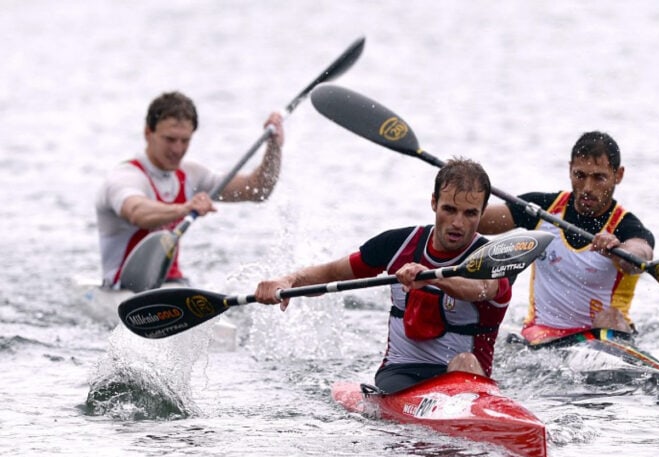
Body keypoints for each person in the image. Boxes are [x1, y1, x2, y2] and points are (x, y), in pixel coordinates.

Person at [254, 158, 512, 393]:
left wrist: (433, 277)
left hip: (464, 379)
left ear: (483, 212)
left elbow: (483, 289)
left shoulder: (493, 260)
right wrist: (288, 281)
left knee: (465, 361)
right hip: (400, 375)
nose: (458, 223)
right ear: (433, 202)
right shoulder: (398, 244)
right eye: (449, 209)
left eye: (470, 213)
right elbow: (331, 273)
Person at [478, 131, 654, 345]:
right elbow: (475, 221)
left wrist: (619, 252)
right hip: (543, 333)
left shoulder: (626, 227)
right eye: (580, 175)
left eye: (599, 178)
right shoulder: (542, 209)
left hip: (603, 334)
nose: (587, 188)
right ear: (570, 169)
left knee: (610, 317)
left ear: (618, 175)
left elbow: (641, 255)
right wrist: (457, 193)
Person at [95, 91, 284, 288]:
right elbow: (137, 212)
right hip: (122, 288)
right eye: (170, 139)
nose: (177, 149)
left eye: (185, 140)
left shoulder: (191, 174)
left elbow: (257, 190)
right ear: (148, 133)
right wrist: (185, 208)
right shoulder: (125, 178)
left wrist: (274, 148)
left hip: (173, 284)